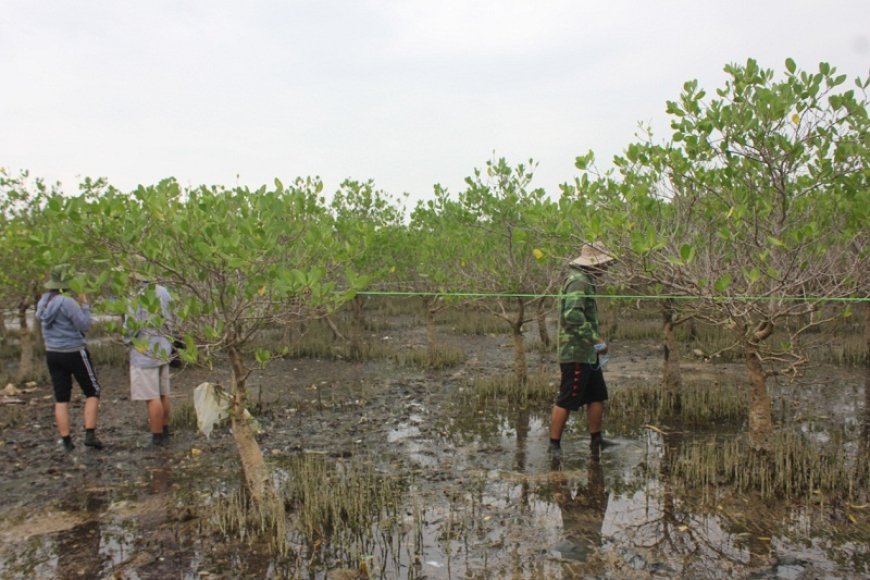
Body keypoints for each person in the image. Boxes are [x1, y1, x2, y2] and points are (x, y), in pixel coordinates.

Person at [549, 242, 616, 460]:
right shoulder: (578, 281)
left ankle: (596, 440)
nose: (606, 268)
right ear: (593, 264)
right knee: (567, 397)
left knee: (597, 395)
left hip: (588, 352)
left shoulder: (587, 280)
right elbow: (573, 316)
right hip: (576, 351)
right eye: (603, 264)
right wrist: (597, 341)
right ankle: (554, 445)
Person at [35, 264, 104, 451]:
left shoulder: (44, 301)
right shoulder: (68, 302)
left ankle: (66, 441)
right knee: (93, 391)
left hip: (53, 354)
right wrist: (84, 304)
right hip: (74, 352)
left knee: (61, 397)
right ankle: (90, 434)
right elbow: (84, 325)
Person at [125, 269, 175, 447]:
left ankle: (157, 437)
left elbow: (130, 328)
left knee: (152, 396)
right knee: (163, 393)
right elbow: (173, 320)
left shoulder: (135, 296)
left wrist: (126, 340)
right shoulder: (164, 291)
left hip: (144, 352)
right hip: (163, 349)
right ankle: (165, 430)